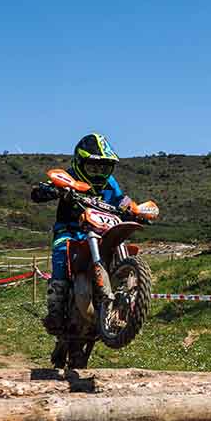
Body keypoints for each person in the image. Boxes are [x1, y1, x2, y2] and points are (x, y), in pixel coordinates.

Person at [31, 133, 135, 339]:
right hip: (70, 230)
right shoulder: (69, 176)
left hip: (103, 230)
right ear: (80, 163)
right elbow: (39, 191)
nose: (99, 173)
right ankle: (55, 311)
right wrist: (51, 190)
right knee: (61, 252)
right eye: (94, 167)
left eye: (104, 168)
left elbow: (121, 199)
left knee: (123, 243)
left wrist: (131, 208)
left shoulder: (110, 183)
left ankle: (127, 301)